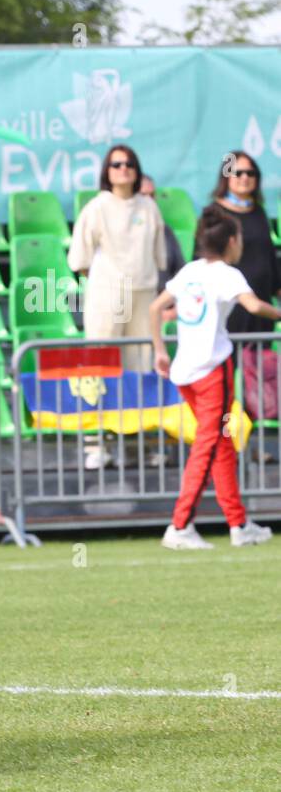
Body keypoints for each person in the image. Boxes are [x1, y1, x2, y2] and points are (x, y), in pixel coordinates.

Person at [151, 206, 279, 550]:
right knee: (208, 445)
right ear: (232, 241)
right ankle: (180, 525)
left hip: (185, 373)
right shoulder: (227, 274)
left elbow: (156, 309)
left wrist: (159, 349)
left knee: (222, 441)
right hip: (211, 372)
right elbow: (254, 307)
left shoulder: (191, 271)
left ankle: (238, 523)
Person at [69, 144, 167, 469]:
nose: (123, 169)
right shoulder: (96, 207)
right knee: (100, 364)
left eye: (128, 164)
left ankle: (141, 442)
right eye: (116, 164)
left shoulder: (149, 208)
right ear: (106, 172)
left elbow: (159, 257)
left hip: (144, 295)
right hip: (108, 295)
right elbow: (79, 261)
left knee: (141, 365)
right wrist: (109, 282)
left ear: (137, 170)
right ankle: (95, 444)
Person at [212, 151, 281, 335]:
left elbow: (269, 258)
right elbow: (204, 259)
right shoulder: (214, 213)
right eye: (238, 173)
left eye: (250, 173)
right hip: (229, 308)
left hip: (261, 306)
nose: (244, 178)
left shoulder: (259, 212)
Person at [140, 175, 185, 293]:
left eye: (152, 195)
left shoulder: (165, 231)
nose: (149, 200)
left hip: (166, 303)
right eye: (143, 195)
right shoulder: (120, 234)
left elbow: (181, 272)